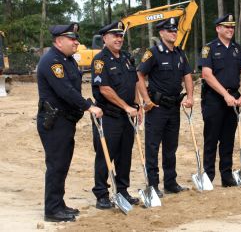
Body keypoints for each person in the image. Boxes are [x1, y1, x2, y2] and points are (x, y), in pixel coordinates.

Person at [37, 23, 103, 222]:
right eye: (72, 39)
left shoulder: (68, 60)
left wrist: (87, 103)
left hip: (65, 121)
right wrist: (87, 106)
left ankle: (59, 204)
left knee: (62, 164)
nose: (77, 42)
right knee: (56, 164)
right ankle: (52, 209)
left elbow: (74, 89)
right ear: (59, 41)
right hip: (55, 121)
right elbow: (65, 90)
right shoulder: (52, 62)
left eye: (76, 38)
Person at [137, 17, 193, 198]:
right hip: (157, 108)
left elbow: (187, 75)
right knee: (153, 147)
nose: (174, 33)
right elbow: (139, 74)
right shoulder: (153, 53)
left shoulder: (179, 53)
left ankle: (170, 182)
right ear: (161, 33)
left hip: (174, 107)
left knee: (171, 147)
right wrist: (145, 99)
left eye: (175, 30)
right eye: (170, 31)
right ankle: (153, 185)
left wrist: (190, 96)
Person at [91, 21, 142, 209]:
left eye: (121, 36)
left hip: (127, 117)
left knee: (124, 156)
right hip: (109, 116)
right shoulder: (100, 60)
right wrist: (126, 106)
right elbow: (104, 89)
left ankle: (122, 191)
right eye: (115, 36)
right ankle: (101, 194)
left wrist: (137, 105)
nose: (119, 39)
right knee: (105, 156)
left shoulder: (127, 57)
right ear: (105, 38)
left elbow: (134, 82)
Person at [199, 13, 241, 187]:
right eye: (226, 27)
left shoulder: (237, 48)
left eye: (232, 27)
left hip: (234, 99)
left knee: (228, 139)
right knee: (211, 138)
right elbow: (206, 74)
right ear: (218, 28)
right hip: (214, 99)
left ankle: (227, 175)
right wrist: (225, 95)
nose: (230, 30)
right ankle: (208, 176)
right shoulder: (209, 48)